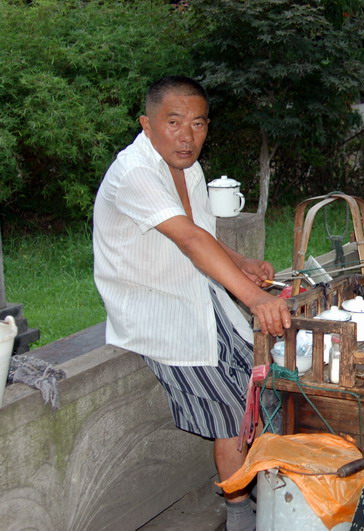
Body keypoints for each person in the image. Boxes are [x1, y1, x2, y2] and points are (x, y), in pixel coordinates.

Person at [93, 76, 291, 531]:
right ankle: (240, 516)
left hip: (199, 296)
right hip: (158, 309)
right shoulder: (135, 173)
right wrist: (256, 298)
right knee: (231, 408)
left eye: (198, 124)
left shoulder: (190, 169)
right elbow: (187, 238)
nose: (187, 136)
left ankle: (266, 501)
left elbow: (203, 233)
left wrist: (240, 263)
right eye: (174, 122)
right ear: (147, 124)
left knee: (262, 384)